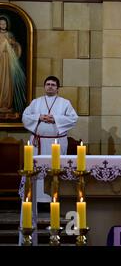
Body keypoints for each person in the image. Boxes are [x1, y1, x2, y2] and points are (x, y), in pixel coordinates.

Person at [20, 75, 78, 245]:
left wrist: (54, 119)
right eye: (48, 84)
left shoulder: (65, 103)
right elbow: (25, 116)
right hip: (38, 142)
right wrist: (39, 117)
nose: (50, 87)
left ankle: (54, 201)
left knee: (54, 172)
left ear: (58, 88)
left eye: (53, 85)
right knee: (36, 174)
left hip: (56, 143)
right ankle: (36, 202)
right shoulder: (36, 102)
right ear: (44, 86)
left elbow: (74, 118)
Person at [0, 15, 26, 117]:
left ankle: (6, 104)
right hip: (0, 60)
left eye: (4, 23)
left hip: (8, 61)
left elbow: (16, 48)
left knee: (7, 83)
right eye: (1, 23)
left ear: (7, 24)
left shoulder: (10, 35)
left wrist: (12, 44)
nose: (3, 25)